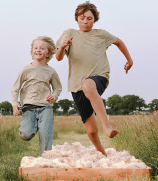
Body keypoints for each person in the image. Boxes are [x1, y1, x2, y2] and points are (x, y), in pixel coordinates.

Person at [56, 1, 133, 156]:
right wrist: (63, 46)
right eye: (82, 18)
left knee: (88, 86)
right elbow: (58, 58)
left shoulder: (101, 34)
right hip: (75, 85)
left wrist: (129, 60)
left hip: (99, 77)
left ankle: (107, 126)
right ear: (77, 19)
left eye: (89, 18)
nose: (86, 21)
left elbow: (119, 42)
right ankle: (102, 154)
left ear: (95, 20)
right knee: (91, 130)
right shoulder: (69, 33)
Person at [11, 36, 62, 155]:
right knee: (26, 134)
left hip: (46, 107)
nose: (38, 50)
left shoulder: (51, 71)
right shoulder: (25, 70)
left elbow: (58, 88)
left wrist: (54, 96)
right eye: (36, 48)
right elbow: (15, 88)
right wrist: (15, 104)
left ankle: (45, 161)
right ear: (31, 51)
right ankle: (30, 127)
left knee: (46, 137)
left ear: (48, 53)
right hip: (29, 107)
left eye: (42, 48)